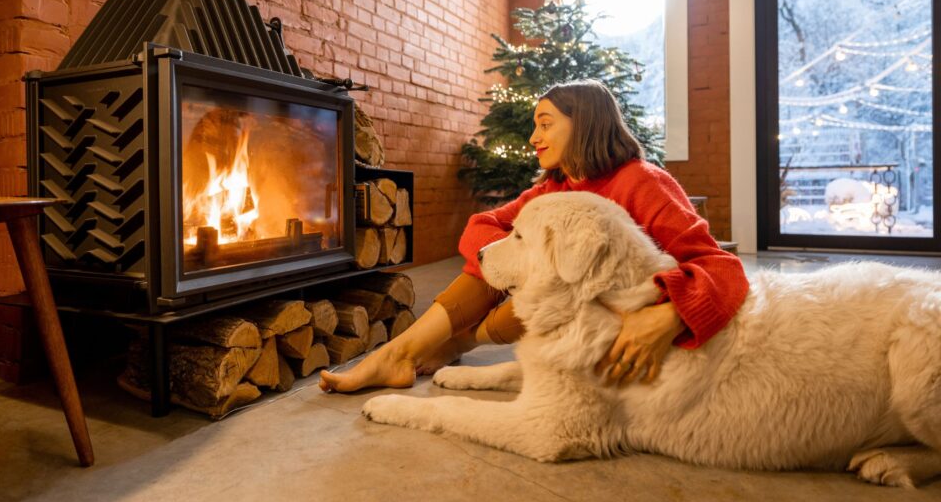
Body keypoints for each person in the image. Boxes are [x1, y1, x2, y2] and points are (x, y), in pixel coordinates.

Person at [319, 79, 749, 393]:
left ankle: (450, 343)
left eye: (544, 123)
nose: (533, 137)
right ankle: (400, 353)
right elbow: (480, 229)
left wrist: (670, 314)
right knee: (499, 257)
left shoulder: (642, 182)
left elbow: (720, 267)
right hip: (568, 309)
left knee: (544, 280)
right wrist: (517, 263)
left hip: (614, 317)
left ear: (584, 124)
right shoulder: (553, 189)